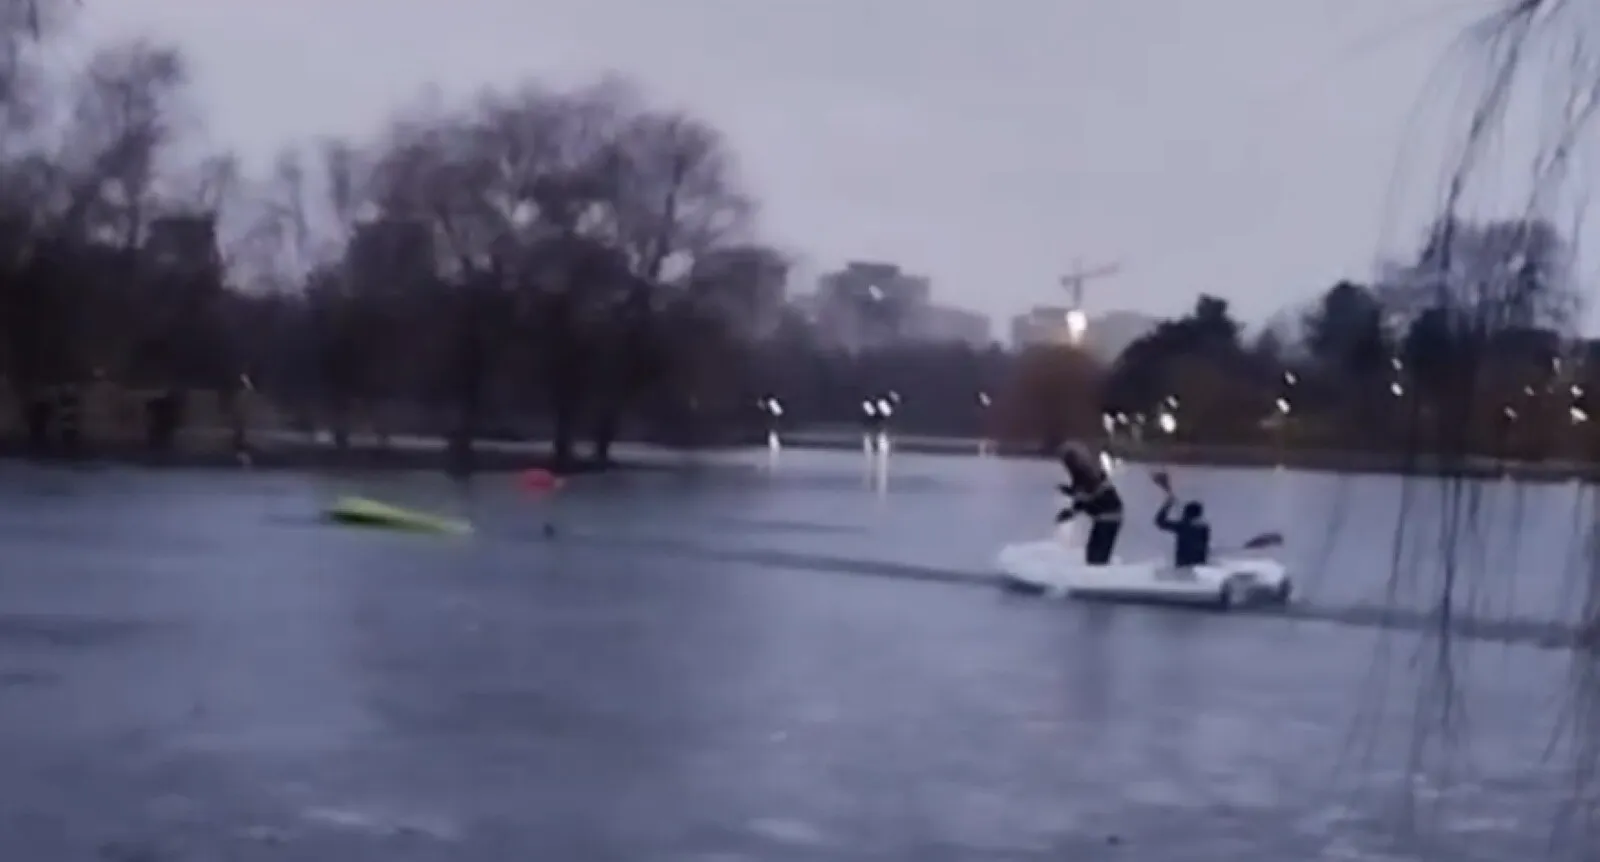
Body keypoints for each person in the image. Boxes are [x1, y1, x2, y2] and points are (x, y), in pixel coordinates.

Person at [1056, 443, 1124, 564]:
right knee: (1097, 554)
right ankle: (1102, 574)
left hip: (1106, 517)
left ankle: (1099, 578)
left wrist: (1069, 513)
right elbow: (1086, 495)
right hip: (1111, 516)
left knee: (1095, 556)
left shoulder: (1082, 474)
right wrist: (1070, 492)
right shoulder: (1089, 472)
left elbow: (1084, 499)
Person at [1154, 492, 1211, 568]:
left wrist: (1168, 504)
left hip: (1183, 567)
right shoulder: (1204, 528)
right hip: (1200, 567)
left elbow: (1159, 521)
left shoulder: (1183, 527)